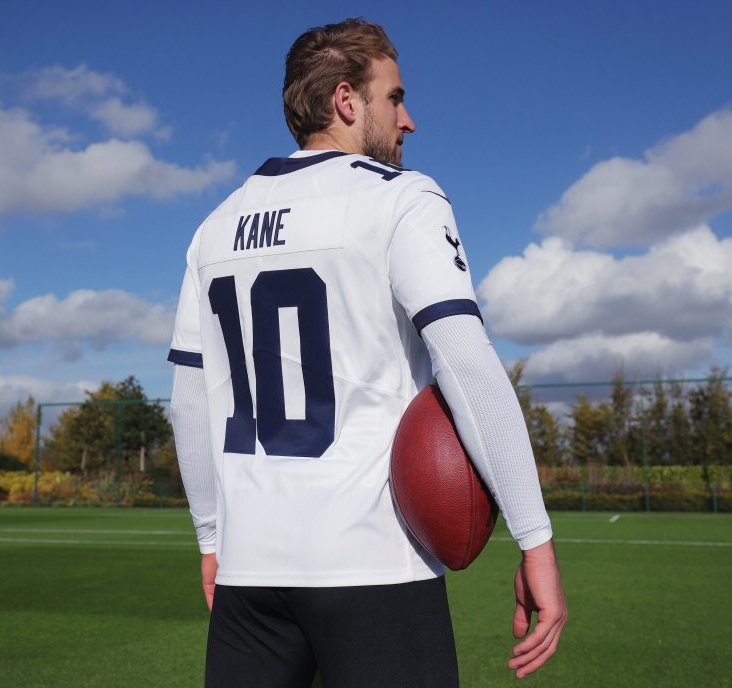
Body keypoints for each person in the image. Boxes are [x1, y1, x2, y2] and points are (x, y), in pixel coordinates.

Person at [168, 18, 566, 687]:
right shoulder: (402, 198)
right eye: (395, 97)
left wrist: (212, 538)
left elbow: (188, 403)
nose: (408, 120)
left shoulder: (214, 227)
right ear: (347, 101)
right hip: (374, 566)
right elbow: (466, 365)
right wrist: (536, 540)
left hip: (250, 577)